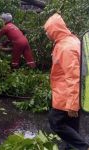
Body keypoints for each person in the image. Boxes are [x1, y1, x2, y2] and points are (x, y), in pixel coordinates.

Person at [44, 13, 89, 150]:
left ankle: (84, 147)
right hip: (70, 93)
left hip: (66, 95)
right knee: (71, 125)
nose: (47, 33)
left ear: (54, 29)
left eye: (47, 30)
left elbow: (73, 76)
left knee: (56, 123)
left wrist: (72, 104)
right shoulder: (70, 40)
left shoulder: (66, 47)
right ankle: (71, 148)